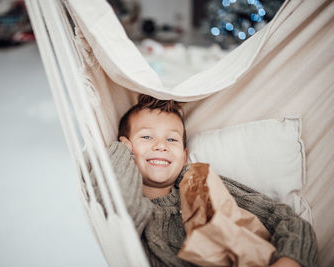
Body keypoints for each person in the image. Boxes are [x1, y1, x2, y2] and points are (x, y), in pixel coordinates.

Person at [92, 94, 317, 267]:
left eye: (171, 139)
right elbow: (121, 211)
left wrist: (289, 260)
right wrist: (121, 151)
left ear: (184, 155)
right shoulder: (127, 197)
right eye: (146, 137)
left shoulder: (200, 183)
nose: (161, 145)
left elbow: (285, 219)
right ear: (127, 146)